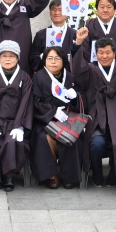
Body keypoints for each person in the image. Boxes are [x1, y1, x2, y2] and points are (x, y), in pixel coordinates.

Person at [71, 27, 116, 187]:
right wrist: (78, 43)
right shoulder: (91, 69)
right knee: (96, 144)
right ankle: (96, 172)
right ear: (95, 54)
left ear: (115, 54)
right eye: (100, 53)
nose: (104, 56)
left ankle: (114, 174)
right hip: (98, 119)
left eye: (108, 52)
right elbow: (77, 71)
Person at [0, 40, 33, 191]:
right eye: (4, 56)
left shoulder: (25, 78)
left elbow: (26, 104)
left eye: (12, 56)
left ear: (17, 58)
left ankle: (9, 175)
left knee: (12, 141)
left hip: (15, 123)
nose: (8, 59)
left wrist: (20, 126)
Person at [30, 46, 85, 188]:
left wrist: (75, 97)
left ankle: (69, 176)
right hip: (45, 119)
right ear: (44, 61)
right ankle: (51, 174)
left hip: (67, 118)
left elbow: (82, 96)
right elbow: (35, 101)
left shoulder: (71, 76)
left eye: (57, 58)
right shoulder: (38, 77)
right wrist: (52, 111)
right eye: (49, 58)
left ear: (63, 61)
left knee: (72, 137)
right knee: (46, 138)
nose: (53, 61)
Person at [29, 0, 77, 73]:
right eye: (54, 9)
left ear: (67, 13)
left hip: (69, 78)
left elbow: (81, 59)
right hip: (46, 79)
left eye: (60, 10)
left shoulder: (75, 34)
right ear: (50, 12)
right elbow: (32, 58)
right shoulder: (41, 35)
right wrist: (45, 56)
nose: (57, 12)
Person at [83, 0, 116, 64]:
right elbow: (85, 47)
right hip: (94, 67)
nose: (105, 10)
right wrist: (91, 66)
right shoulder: (88, 24)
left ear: (114, 10)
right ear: (97, 10)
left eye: (109, 7)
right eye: (102, 7)